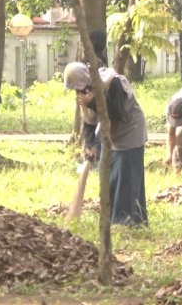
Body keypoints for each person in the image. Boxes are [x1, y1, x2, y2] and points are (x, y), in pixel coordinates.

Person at [63, 62, 148, 226]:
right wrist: (89, 145)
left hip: (130, 132)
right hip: (112, 136)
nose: (80, 93)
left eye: (81, 89)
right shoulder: (86, 93)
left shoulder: (113, 83)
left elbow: (116, 114)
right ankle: (113, 217)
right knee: (111, 175)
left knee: (126, 176)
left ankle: (127, 221)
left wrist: (93, 103)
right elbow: (88, 122)